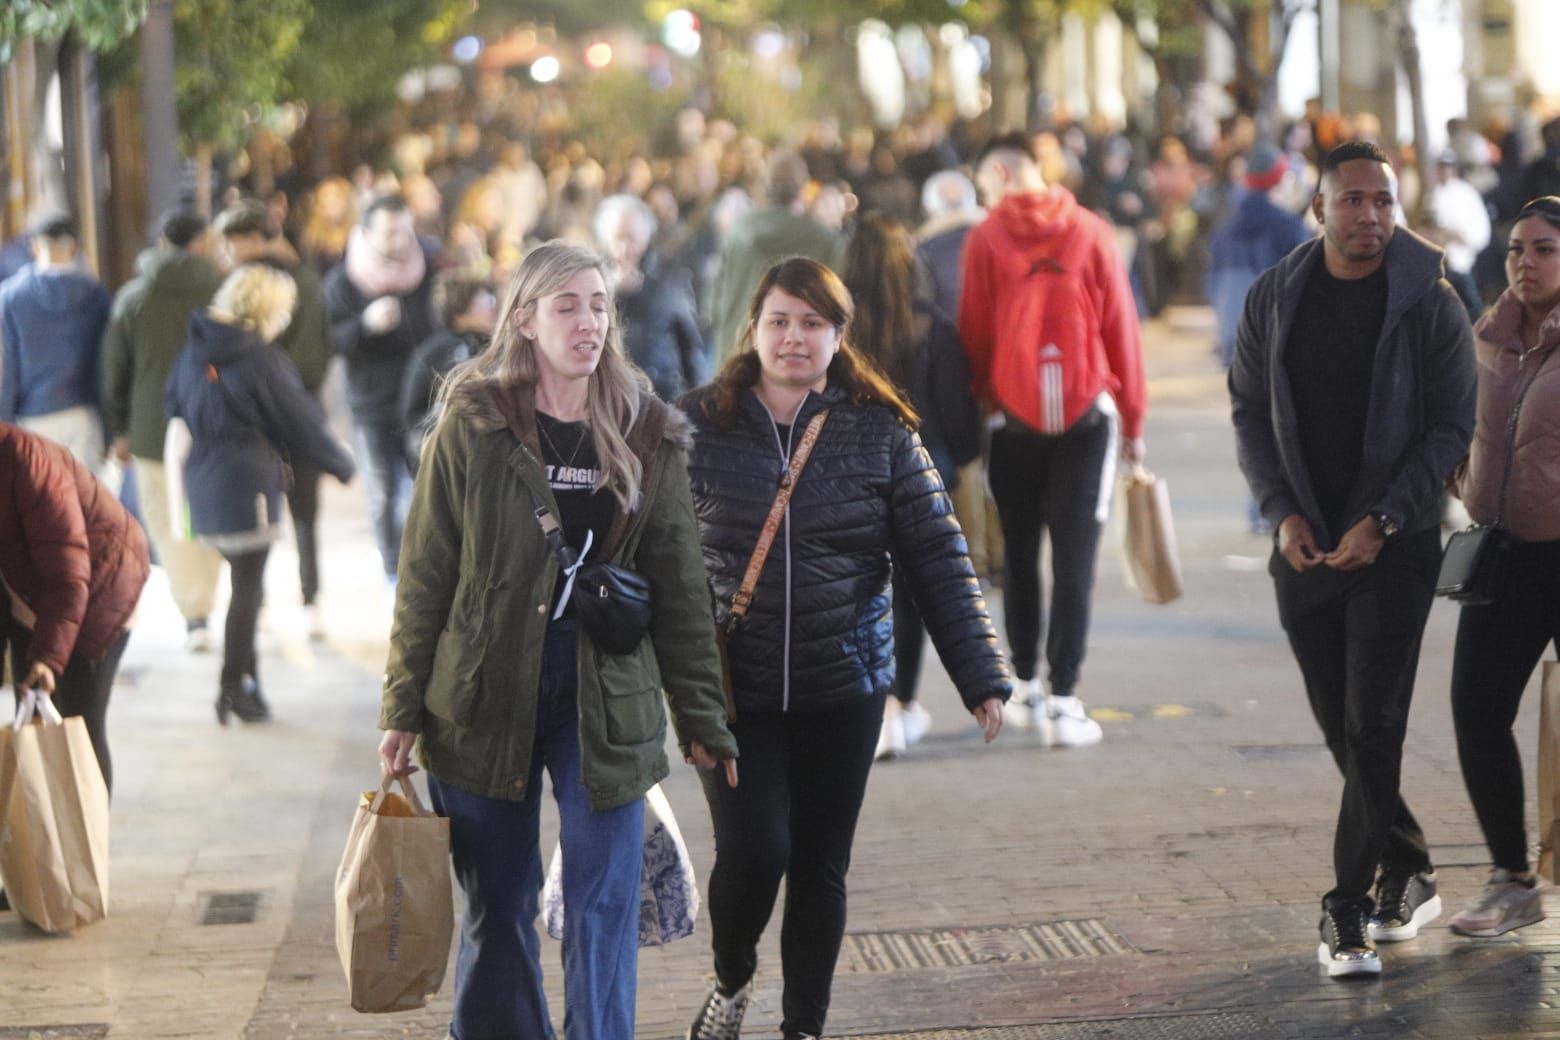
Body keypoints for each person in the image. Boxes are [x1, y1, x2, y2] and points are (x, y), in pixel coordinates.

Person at [378, 242, 738, 1040]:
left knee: (601, 904)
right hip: (479, 692)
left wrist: (703, 719)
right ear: (526, 319)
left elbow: (681, 588)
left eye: (600, 305)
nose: (588, 322)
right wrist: (401, 707)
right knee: (497, 903)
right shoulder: (474, 423)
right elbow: (426, 573)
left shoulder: (647, 431)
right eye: (567, 305)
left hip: (605, 692)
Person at [681, 257, 1009, 1040]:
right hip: (737, 691)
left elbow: (938, 554)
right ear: (752, 329)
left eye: (812, 323)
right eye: (780, 321)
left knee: (821, 867)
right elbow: (663, 556)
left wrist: (980, 674)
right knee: (756, 851)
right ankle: (731, 978)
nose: (795, 338)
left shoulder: (880, 430)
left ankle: (804, 1026)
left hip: (847, 683)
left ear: (839, 336)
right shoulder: (699, 424)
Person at [1229, 141, 1476, 976]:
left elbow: (1448, 427)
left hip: (1397, 547)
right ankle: (1408, 864)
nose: (1369, 215)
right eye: (1352, 200)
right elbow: (1248, 412)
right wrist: (1279, 512)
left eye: (1383, 200)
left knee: (1376, 727)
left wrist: (1385, 518)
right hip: (1304, 550)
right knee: (1346, 731)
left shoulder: (1431, 302)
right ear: (1319, 209)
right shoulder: (1277, 295)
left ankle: (1345, 910)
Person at [959, 132, 1148, 746]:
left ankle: (1027, 688)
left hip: (1010, 421)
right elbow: (1121, 325)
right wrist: (1134, 419)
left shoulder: (985, 238)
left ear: (1001, 170)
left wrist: (982, 404)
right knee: (1075, 559)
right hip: (1087, 419)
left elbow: (974, 331)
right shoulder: (1092, 231)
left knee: (1017, 555)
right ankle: (1066, 698)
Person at [164, 265, 355, 724]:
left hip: (205, 482)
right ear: (268, 310)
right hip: (247, 484)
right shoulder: (260, 359)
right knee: (247, 589)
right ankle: (233, 687)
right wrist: (341, 463)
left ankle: (249, 686)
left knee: (242, 583)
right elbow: (300, 419)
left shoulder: (194, 349)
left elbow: (172, 406)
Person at [1445, 195, 1560, 938]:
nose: (1526, 262)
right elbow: (1464, 426)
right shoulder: (1490, 336)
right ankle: (1512, 881)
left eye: (1545, 248)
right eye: (1518, 248)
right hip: (1504, 555)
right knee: (1476, 707)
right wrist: (1468, 479)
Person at [841, 214, 982, 759]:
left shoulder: (839, 334)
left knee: (862, 589)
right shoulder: (933, 329)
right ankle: (898, 707)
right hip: (928, 472)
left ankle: (874, 706)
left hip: (854, 476)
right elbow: (957, 413)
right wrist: (966, 456)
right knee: (914, 593)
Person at [0, 420, 149, 794]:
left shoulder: (28, 461)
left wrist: (48, 659)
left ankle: (87, 848)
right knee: (31, 721)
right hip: (30, 596)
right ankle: (43, 847)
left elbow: (68, 573)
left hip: (99, 588)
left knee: (79, 723)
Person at [101, 206, 224, 651]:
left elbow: (115, 369)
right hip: (214, 422)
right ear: (201, 243)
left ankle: (196, 613)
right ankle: (207, 594)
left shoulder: (134, 297)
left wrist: (117, 427)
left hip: (151, 428)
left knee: (166, 519)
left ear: (161, 245)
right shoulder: (220, 289)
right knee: (210, 508)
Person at [214, 199, 334, 636]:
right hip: (290, 413)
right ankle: (291, 600)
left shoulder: (290, 282)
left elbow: (312, 355)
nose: (227, 254)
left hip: (272, 417)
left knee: (281, 511)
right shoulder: (299, 279)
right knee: (293, 511)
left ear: (251, 240)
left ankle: (298, 598)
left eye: (231, 244)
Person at [324, 194, 437, 583]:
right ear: (367, 233)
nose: (402, 240)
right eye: (391, 232)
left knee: (429, 490)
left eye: (406, 230)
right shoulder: (345, 279)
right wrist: (365, 325)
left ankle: (425, 571)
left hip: (424, 398)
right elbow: (330, 339)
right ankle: (393, 572)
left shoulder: (428, 267)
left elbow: (443, 321)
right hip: (372, 402)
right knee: (384, 494)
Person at [707, 149, 843, 363]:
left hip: (737, 355)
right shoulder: (825, 240)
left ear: (765, 185)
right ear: (802, 187)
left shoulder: (738, 231)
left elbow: (714, 301)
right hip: (798, 361)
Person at [0, 214, 112, 467]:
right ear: (74, 247)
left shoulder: (10, 297)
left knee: (40, 502)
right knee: (84, 501)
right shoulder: (96, 296)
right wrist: (109, 430)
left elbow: (7, 371)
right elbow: (103, 366)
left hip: (34, 418)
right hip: (83, 413)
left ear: (35, 246)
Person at [594, 193, 709, 401]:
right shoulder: (595, 280)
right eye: (618, 238)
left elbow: (690, 346)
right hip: (612, 397)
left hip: (663, 393)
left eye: (631, 238)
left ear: (645, 237)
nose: (625, 249)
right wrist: (615, 294)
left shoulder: (669, 277)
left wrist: (699, 400)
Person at [1206, 143, 1313, 368]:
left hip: (1233, 337)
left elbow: (1212, 284)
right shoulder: (1290, 227)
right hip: (1276, 340)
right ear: (1280, 179)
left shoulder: (1224, 227)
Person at [397, 271, 496, 472]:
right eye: (486, 303)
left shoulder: (475, 345)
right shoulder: (452, 351)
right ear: (461, 312)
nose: (493, 309)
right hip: (439, 451)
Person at [1426, 150, 1493, 321]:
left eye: (1447, 166)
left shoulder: (1465, 192)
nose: (1444, 170)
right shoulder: (1434, 194)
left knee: (1472, 305)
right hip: (1443, 260)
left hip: (1464, 258)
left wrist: (1464, 237)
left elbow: (1478, 226)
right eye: (1441, 166)